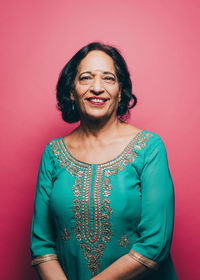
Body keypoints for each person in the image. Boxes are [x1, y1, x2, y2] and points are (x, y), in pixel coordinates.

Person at [30, 42, 177, 280]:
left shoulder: (149, 148)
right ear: (71, 90)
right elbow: (42, 245)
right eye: (86, 78)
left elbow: (154, 244)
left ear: (120, 92)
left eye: (108, 79)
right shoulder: (53, 153)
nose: (97, 88)